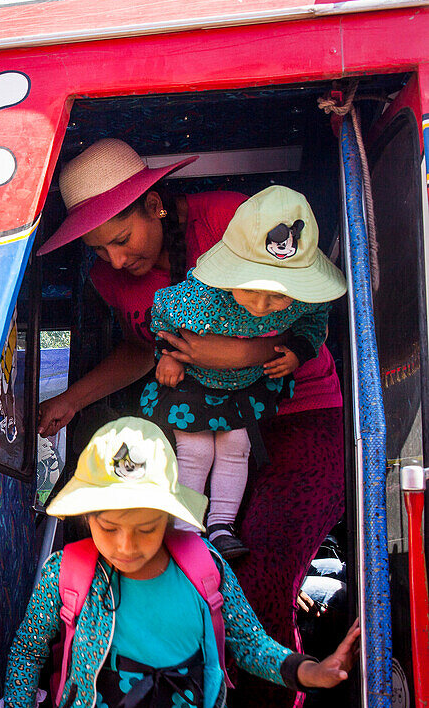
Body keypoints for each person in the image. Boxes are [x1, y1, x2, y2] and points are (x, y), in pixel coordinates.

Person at [35, 139, 346, 708]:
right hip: (203, 416)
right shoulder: (111, 281)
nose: (117, 262)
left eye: (122, 240)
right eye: (99, 251)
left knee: (258, 579)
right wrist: (72, 401)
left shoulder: (229, 218)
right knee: (188, 565)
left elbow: (302, 313)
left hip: (298, 412)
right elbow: (145, 349)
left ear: (154, 204)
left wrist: (225, 355)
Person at [0, 417, 359, 708]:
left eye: (145, 528)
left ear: (169, 517)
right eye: (109, 528)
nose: (126, 546)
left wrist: (310, 671)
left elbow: (250, 644)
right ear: (88, 517)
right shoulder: (64, 574)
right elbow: (28, 652)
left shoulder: (205, 567)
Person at [144, 186, 347, 559]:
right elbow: (160, 313)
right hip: (193, 384)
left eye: (277, 296)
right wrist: (167, 355)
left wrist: (299, 352)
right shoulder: (201, 296)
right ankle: (186, 526)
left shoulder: (301, 300)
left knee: (237, 449)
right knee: (195, 450)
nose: (262, 305)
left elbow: (316, 321)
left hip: (245, 388)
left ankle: (222, 525)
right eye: (250, 290)